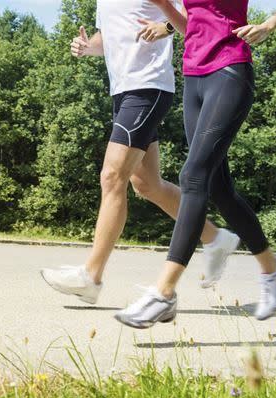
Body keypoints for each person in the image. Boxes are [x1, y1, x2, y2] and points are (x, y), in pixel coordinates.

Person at [115, 0, 276, 329]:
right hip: (194, 76)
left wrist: (270, 24)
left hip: (229, 69)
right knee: (218, 187)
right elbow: (190, 24)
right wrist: (164, 6)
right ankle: (273, 269)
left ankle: (163, 293)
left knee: (193, 175)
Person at [41, 0, 241, 305]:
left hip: (148, 86)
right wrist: (87, 46)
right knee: (146, 184)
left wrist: (168, 26)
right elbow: (108, 39)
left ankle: (91, 277)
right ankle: (215, 238)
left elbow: (195, 11)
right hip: (123, 90)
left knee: (112, 176)